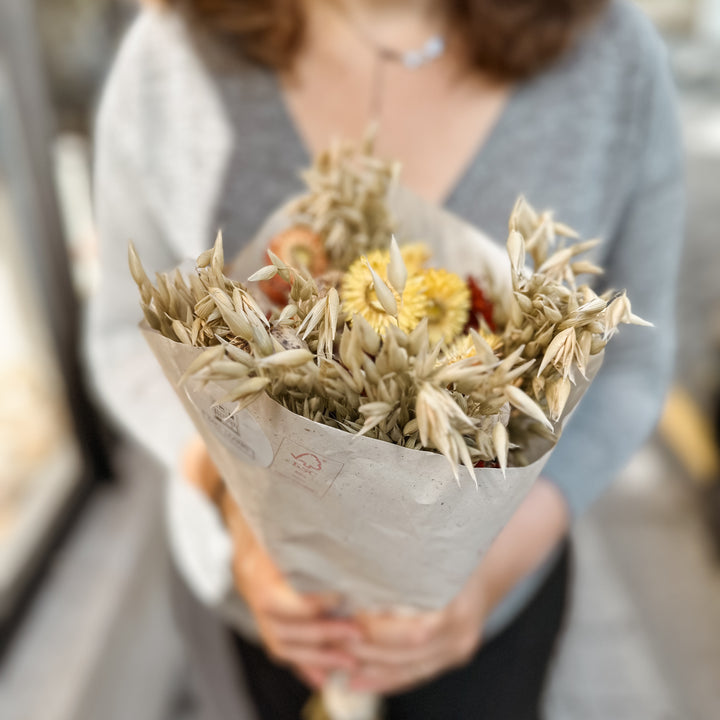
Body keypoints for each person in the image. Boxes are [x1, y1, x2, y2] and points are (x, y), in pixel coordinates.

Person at [86, 0, 684, 718]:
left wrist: (489, 572)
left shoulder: (611, 59)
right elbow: (127, 334)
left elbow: (630, 365)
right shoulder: (173, 57)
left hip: (495, 621)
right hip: (245, 611)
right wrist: (230, 500)